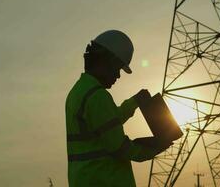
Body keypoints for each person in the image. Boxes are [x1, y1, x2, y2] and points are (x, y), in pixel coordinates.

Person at [65, 30, 171, 187]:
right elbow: (121, 148)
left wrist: (134, 102)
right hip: (103, 180)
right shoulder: (97, 96)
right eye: (118, 68)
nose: (118, 76)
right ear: (108, 61)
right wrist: (157, 146)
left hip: (87, 179)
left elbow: (106, 122)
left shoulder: (79, 91)